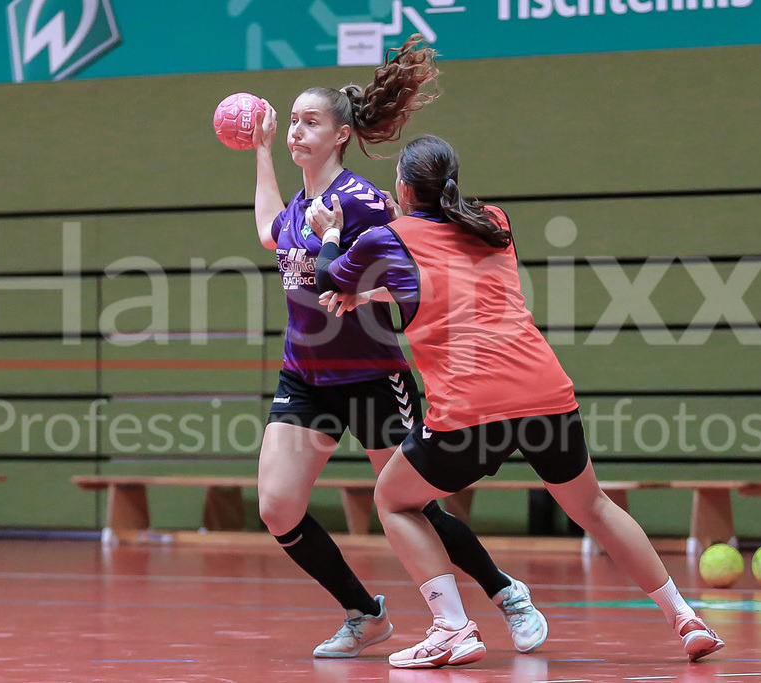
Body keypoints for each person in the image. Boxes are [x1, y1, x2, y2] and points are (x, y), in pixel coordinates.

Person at [312, 134, 726, 668]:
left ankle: (452, 627)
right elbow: (450, 280)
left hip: (470, 407)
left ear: (404, 187)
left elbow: (325, 276)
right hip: (545, 394)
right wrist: (372, 287)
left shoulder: (385, 239)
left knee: (394, 499)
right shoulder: (495, 222)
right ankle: (684, 617)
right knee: (594, 507)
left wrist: (331, 235)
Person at [249, 36, 547, 659]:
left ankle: (505, 592)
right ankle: (364, 612)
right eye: (293, 122)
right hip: (306, 377)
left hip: (373, 375)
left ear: (339, 136)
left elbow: (412, 264)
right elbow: (269, 230)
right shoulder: (302, 207)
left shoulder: (366, 203)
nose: (297, 131)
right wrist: (262, 155)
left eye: (309, 123)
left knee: (411, 503)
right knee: (277, 508)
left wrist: (365, 293)